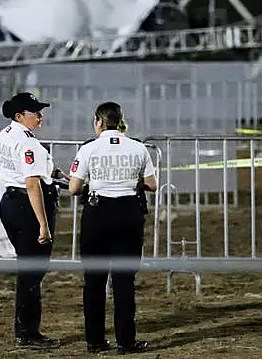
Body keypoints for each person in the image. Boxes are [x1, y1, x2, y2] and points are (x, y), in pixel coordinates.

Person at [68, 101, 157, 354]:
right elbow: (152, 185)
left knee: (94, 281)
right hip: (128, 214)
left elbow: (74, 188)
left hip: (98, 214)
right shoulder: (138, 148)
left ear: (99, 121)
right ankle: (126, 342)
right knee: (124, 281)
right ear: (121, 121)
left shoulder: (88, 149)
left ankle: (95, 341)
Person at [0, 91, 65, 350]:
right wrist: (43, 225)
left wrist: (58, 175)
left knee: (28, 270)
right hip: (28, 206)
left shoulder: (6, 135)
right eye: (35, 112)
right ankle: (27, 333)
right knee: (32, 272)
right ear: (19, 116)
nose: (40, 116)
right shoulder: (27, 143)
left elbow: (32, 173)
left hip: (12, 202)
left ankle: (24, 330)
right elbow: (33, 184)